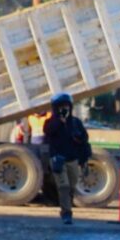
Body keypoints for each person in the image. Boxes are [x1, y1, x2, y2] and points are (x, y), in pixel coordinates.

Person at [43, 92, 90, 225]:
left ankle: (67, 206)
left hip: (72, 159)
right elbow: (48, 132)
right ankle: (66, 213)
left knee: (71, 186)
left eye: (66, 107)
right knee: (63, 186)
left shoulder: (75, 122)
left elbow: (84, 140)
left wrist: (84, 160)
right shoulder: (50, 122)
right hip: (58, 159)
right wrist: (59, 121)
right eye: (60, 107)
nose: (64, 110)